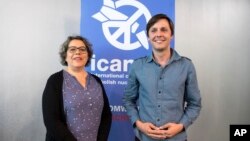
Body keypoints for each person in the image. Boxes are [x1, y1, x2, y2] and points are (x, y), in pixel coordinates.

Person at [123, 13, 202, 141]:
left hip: (177, 138)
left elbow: (195, 104)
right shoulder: (137, 66)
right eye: (153, 30)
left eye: (164, 30)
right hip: (143, 138)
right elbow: (128, 100)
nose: (158, 34)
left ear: (172, 35)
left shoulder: (186, 66)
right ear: (148, 37)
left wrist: (181, 126)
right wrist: (139, 124)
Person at [42, 35, 112, 141]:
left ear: (88, 55)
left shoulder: (96, 81)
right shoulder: (55, 81)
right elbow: (51, 120)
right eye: (72, 49)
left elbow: (106, 115)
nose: (78, 52)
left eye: (82, 49)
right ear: (65, 55)